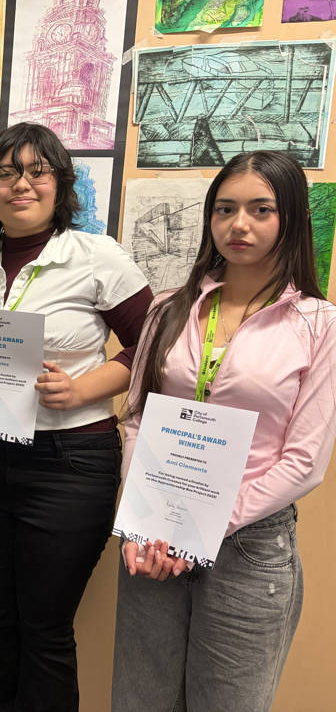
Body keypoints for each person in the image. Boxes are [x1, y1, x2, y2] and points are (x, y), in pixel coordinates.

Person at [0, 122, 153, 711]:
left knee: (46, 627)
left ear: (59, 184)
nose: (20, 184)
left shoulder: (97, 256)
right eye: (5, 172)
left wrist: (80, 389)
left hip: (70, 463)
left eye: (37, 171)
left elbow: (153, 350)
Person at [112, 151, 336, 711]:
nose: (240, 225)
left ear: (291, 218)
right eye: (225, 209)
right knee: (141, 699)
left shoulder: (318, 324)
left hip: (249, 544)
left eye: (262, 210)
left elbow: (304, 461)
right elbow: (137, 416)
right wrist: (143, 518)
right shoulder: (169, 309)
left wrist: (201, 527)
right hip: (156, 536)